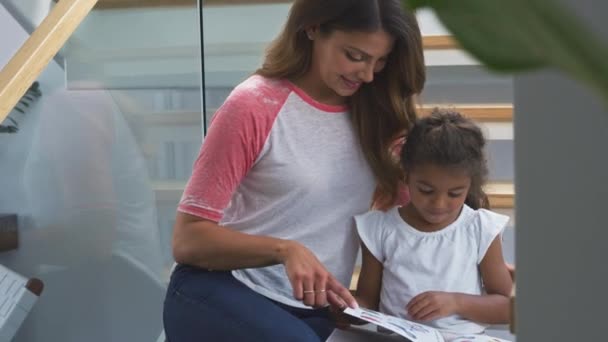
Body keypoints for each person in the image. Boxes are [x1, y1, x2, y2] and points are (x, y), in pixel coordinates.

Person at [162, 0, 426, 340]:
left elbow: (412, 222)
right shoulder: (253, 105)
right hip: (220, 290)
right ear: (313, 28)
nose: (368, 73)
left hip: (315, 310)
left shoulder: (379, 119)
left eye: (381, 61)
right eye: (355, 55)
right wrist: (284, 249)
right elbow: (187, 239)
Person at [351, 109, 513, 341]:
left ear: (470, 185)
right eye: (426, 190)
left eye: (454, 193)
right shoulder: (380, 228)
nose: (439, 203)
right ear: (406, 176)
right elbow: (368, 300)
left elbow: (507, 306)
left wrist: (456, 302)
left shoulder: (480, 228)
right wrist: (349, 308)